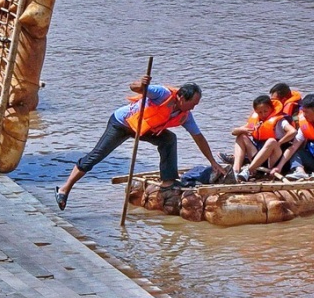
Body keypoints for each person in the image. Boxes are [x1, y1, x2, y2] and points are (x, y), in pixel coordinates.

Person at [54, 76, 225, 210]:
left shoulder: (185, 115)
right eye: (192, 104)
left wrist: (212, 161)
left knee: (168, 139)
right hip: (122, 123)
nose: (193, 108)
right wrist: (141, 83)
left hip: (143, 129)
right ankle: (64, 190)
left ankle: (168, 182)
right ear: (180, 97)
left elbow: (199, 137)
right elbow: (134, 87)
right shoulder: (163, 94)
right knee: (96, 156)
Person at [230, 95, 297, 182]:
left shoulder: (280, 121)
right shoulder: (256, 121)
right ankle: (236, 171)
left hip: (273, 158)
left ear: (271, 108)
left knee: (271, 141)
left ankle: (248, 170)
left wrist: (279, 142)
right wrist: (242, 130)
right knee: (241, 136)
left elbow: (293, 131)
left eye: (265, 111)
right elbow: (233, 132)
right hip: (258, 156)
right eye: (260, 112)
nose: (263, 114)